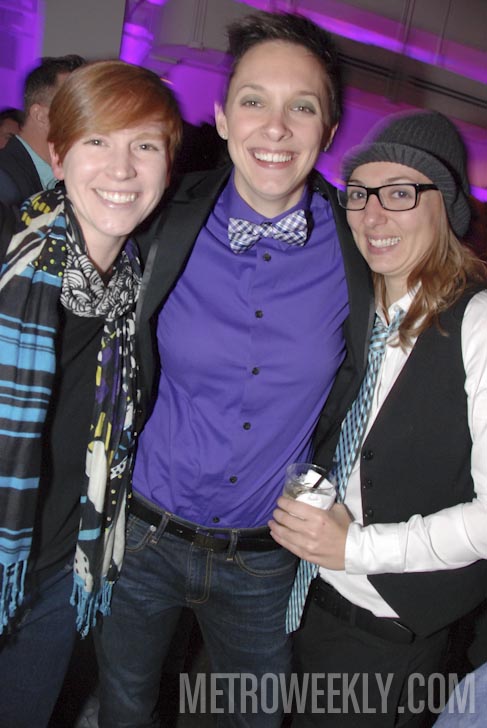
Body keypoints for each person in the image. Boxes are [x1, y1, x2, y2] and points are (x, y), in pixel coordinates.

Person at [94, 10, 374, 728]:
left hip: (264, 556)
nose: (275, 127)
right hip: (143, 535)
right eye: (253, 101)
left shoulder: (362, 251)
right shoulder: (159, 217)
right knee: (124, 706)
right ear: (222, 118)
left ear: (329, 131)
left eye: (301, 107)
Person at [270, 110, 487, 727]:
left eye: (399, 193)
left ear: (444, 208)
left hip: (383, 635)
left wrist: (355, 547)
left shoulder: (477, 321)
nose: (371, 215)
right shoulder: (351, 313)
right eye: (361, 193)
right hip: (301, 600)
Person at [0, 59, 182, 728]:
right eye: (97, 140)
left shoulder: (143, 286)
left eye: (145, 145)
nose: (122, 168)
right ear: (58, 154)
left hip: (60, 574)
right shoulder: (8, 251)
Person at [0, 54, 85, 205]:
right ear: (40, 116)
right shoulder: (5, 183)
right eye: (74, 108)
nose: (87, 120)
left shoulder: (55, 181)